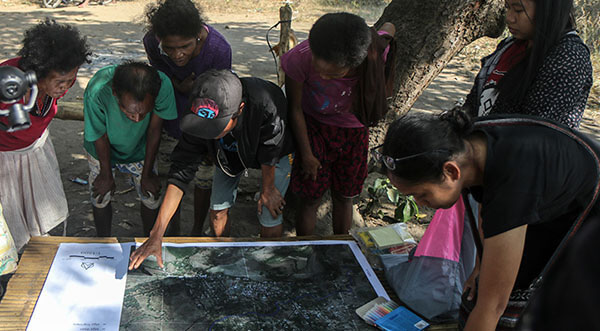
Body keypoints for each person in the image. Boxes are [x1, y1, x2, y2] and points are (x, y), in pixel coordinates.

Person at [376, 110, 600, 330]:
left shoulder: (512, 185)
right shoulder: (468, 147)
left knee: (520, 304)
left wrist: (489, 292)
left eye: (422, 195)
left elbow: (492, 306)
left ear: (451, 172)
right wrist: (480, 265)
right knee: (480, 291)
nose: (421, 203)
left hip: (588, 220)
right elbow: (486, 207)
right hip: (550, 195)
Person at [129, 69, 295, 270]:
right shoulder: (199, 113)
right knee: (217, 213)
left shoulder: (266, 100)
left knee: (270, 211)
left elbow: (272, 146)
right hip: (228, 153)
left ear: (240, 109)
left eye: (215, 127)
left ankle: (268, 265)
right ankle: (224, 262)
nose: (207, 133)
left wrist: (267, 188)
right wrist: (157, 234)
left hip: (273, 154)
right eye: (203, 127)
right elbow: (180, 173)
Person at [281, 12, 395, 236]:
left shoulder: (372, 55)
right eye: (318, 68)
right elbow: (294, 108)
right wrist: (306, 154)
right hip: (314, 130)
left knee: (345, 197)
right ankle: (307, 248)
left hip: (354, 133)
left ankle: (340, 247)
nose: (322, 77)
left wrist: (385, 32)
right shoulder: (299, 58)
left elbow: (389, 29)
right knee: (310, 197)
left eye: (333, 74)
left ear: (356, 64)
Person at [0, 19, 91, 251]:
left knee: (35, 213)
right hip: (5, 159)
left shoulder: (64, 70)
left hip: (35, 150)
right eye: (60, 81)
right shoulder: (8, 84)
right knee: (9, 220)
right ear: (37, 73)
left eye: (70, 80)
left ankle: (34, 244)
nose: (66, 86)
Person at [143, 0, 232, 235]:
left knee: (204, 179)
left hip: (205, 123)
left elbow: (223, 95)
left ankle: (195, 230)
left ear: (198, 37)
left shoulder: (219, 50)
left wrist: (215, 140)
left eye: (185, 46)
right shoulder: (152, 41)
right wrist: (178, 85)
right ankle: (172, 232)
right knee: (172, 177)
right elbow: (158, 74)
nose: (177, 54)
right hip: (170, 116)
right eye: (169, 48)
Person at [463, 0, 592, 128]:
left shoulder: (569, 58)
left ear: (548, 9)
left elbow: (536, 134)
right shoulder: (509, 47)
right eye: (507, 7)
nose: (509, 18)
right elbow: (472, 106)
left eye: (519, 10)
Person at [82, 61, 177, 237]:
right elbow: (99, 134)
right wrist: (106, 174)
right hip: (101, 147)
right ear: (115, 95)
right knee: (100, 195)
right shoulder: (98, 89)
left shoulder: (162, 86)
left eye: (143, 113)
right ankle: (103, 241)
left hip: (140, 147)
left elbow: (155, 130)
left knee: (151, 195)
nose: (136, 119)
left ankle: (148, 241)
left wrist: (147, 174)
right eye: (130, 112)